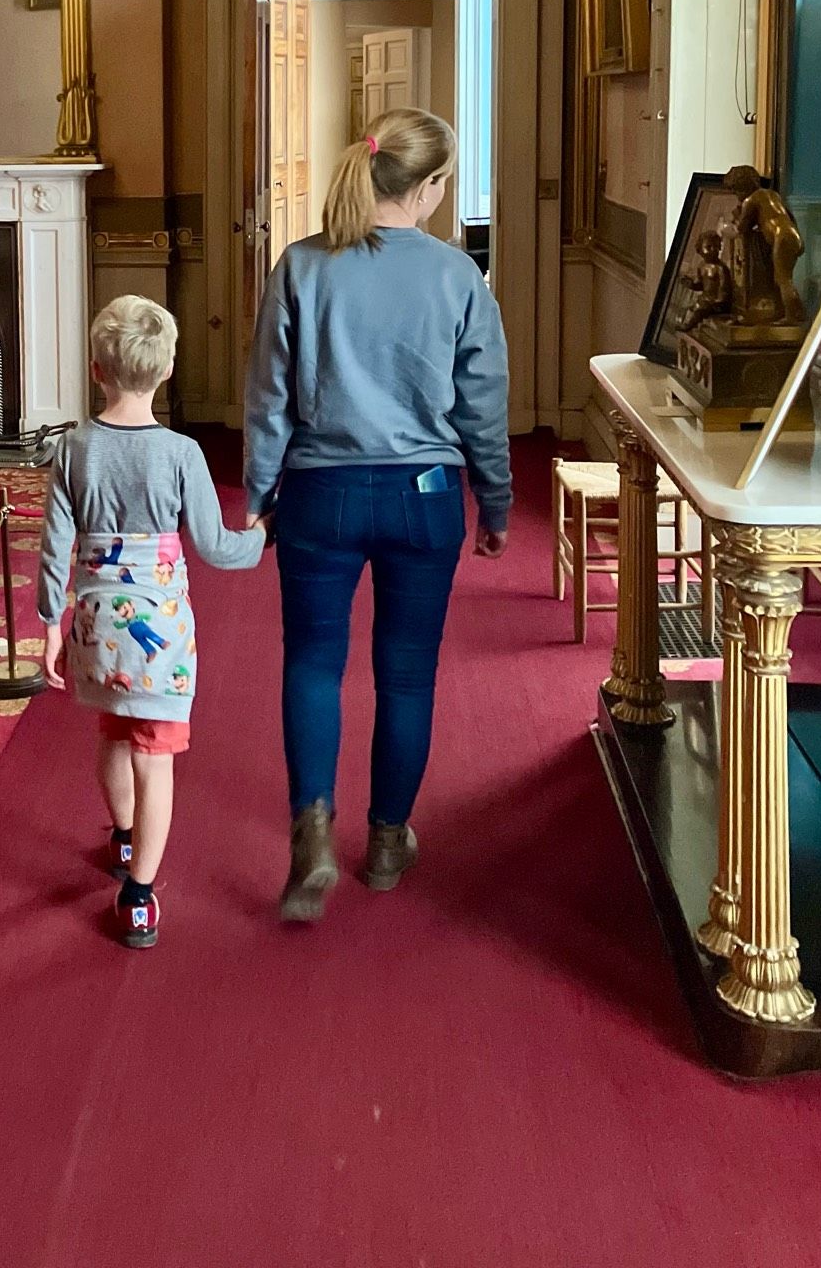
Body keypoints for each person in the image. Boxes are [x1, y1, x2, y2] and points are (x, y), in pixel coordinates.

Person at [244, 107, 511, 923]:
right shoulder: (457, 274)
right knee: (405, 672)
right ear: (429, 187)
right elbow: (482, 406)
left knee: (314, 663)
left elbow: (269, 398)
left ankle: (313, 832)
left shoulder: (300, 266)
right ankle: (389, 841)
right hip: (424, 498)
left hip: (320, 496)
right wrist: (494, 500)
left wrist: (258, 494)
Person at [39, 295, 264, 950]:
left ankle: (124, 836)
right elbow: (219, 548)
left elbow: (55, 546)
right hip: (160, 633)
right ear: (165, 371)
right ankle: (138, 893)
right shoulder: (182, 453)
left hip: (93, 622)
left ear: (95, 370)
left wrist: (49, 624)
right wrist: (261, 536)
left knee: (113, 731)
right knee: (155, 756)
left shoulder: (73, 449)